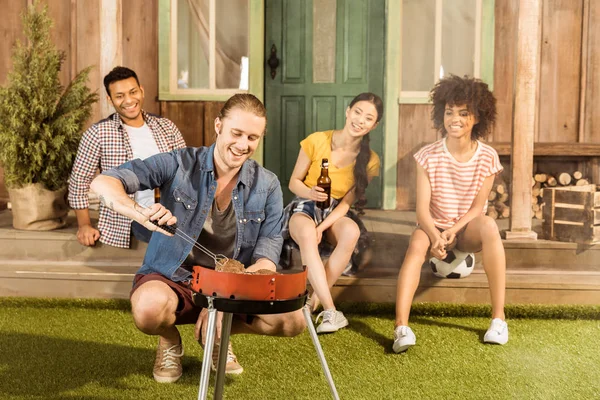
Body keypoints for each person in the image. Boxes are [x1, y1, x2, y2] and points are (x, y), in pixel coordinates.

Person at [90, 93, 306, 383]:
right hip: (173, 278)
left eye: (252, 137)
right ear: (218, 125)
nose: (243, 145)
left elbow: (266, 261)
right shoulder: (179, 163)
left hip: (232, 284)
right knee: (147, 310)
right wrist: (139, 213)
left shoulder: (267, 184)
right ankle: (169, 340)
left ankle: (219, 333)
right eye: (236, 133)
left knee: (292, 322)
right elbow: (104, 182)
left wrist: (220, 304)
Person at [392, 75, 508, 353]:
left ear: (477, 117)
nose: (454, 119)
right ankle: (401, 327)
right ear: (440, 114)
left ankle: (499, 319)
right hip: (432, 226)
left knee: (490, 225)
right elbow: (421, 208)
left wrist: (452, 232)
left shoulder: (488, 157)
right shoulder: (427, 155)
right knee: (416, 244)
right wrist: (434, 235)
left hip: (465, 229)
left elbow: (476, 209)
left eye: (463, 113)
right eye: (449, 112)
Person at [284, 92, 383, 334]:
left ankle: (312, 301)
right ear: (348, 111)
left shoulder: (370, 160)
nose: (360, 120)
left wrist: (323, 227)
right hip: (305, 205)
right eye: (357, 112)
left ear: (374, 125)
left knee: (351, 231)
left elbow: (346, 204)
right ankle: (330, 310)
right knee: (307, 233)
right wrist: (310, 193)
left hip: (335, 212)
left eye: (368, 118)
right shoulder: (317, 140)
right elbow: (293, 182)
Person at [68, 66, 186, 248]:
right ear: (110, 99)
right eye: (120, 96)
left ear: (141, 91)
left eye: (133, 92)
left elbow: (186, 171)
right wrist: (84, 225)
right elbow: (79, 182)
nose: (129, 100)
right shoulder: (98, 133)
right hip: (128, 221)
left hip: (170, 213)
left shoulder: (166, 127)